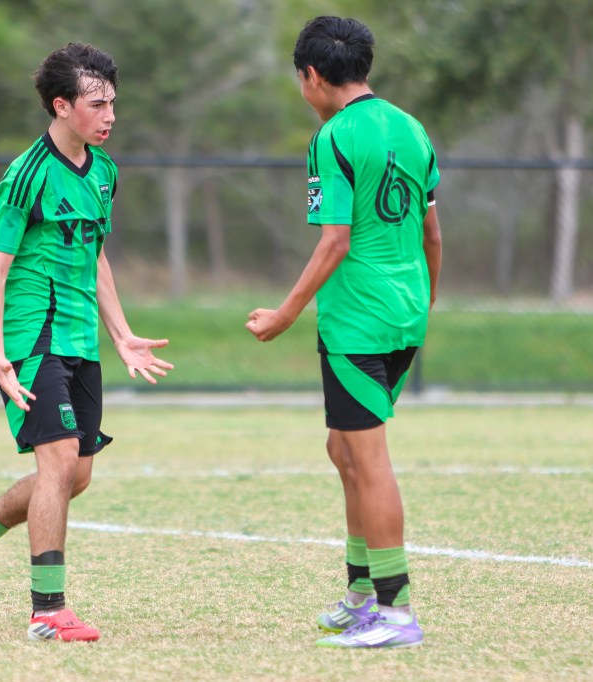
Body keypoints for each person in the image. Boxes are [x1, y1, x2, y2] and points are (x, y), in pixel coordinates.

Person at [0, 42, 173, 643]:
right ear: (61, 106)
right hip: (31, 338)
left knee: (74, 476)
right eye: (97, 104)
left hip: (80, 340)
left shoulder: (106, 171)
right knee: (59, 464)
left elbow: (96, 256)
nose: (110, 115)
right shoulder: (27, 174)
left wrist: (121, 335)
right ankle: (47, 610)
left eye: (114, 102)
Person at [246, 16, 442, 649]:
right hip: (406, 311)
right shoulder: (412, 128)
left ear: (310, 75)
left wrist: (284, 313)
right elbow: (433, 234)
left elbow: (335, 241)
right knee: (342, 448)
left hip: (359, 318)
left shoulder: (332, 138)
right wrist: (421, 303)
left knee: (368, 457)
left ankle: (396, 611)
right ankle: (361, 594)